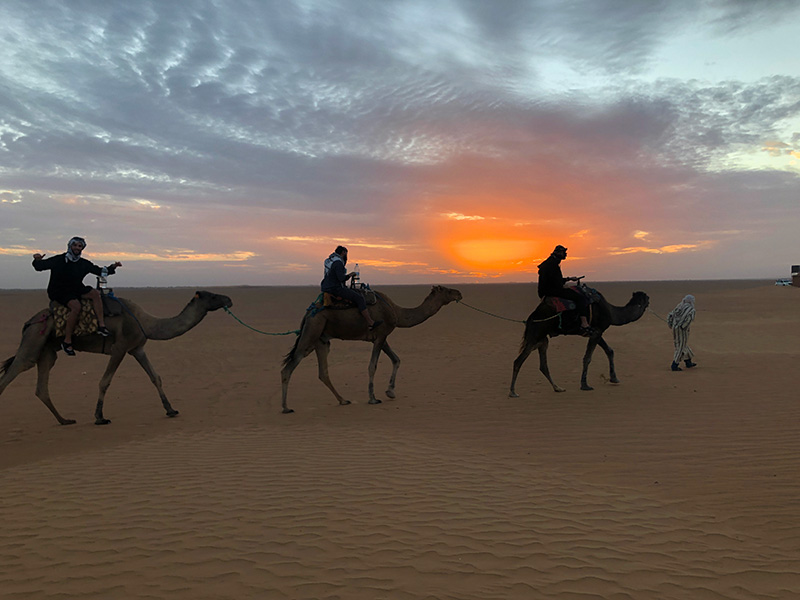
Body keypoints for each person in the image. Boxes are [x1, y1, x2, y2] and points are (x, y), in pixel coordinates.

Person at [32, 236, 122, 356]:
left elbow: (100, 271)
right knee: (76, 306)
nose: (77, 248)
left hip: (75, 288)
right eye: (75, 245)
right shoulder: (59, 259)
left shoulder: (83, 263)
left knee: (95, 294)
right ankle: (67, 341)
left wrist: (113, 267)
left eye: (80, 246)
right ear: (70, 246)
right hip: (59, 290)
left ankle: (101, 325)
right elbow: (40, 267)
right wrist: (37, 260)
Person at [321, 245, 381, 330]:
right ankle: (370, 322)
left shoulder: (329, 260)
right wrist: (350, 275)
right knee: (359, 298)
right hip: (335, 288)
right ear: (343, 253)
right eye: (346, 253)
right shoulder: (338, 263)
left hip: (326, 286)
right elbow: (341, 278)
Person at [537, 244, 592, 335]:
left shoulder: (550, 263)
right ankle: (584, 324)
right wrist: (565, 284)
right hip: (551, 291)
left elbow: (555, 280)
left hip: (547, 290)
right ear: (558, 252)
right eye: (563, 252)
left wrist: (569, 279)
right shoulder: (552, 265)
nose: (565, 254)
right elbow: (557, 282)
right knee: (580, 298)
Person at [667, 294, 697, 371]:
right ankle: (675, 364)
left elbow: (671, 315)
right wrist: (683, 327)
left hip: (675, 328)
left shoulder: (679, 306)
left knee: (682, 344)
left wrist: (671, 324)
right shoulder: (691, 310)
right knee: (680, 346)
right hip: (682, 330)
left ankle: (688, 362)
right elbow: (688, 320)